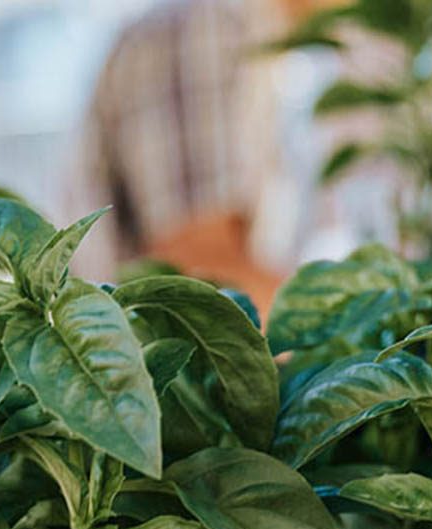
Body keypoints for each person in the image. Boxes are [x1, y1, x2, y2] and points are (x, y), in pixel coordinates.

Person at [71, 0, 396, 306]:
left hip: (276, 358)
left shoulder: (336, 46)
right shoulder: (191, 32)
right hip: (161, 360)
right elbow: (198, 273)